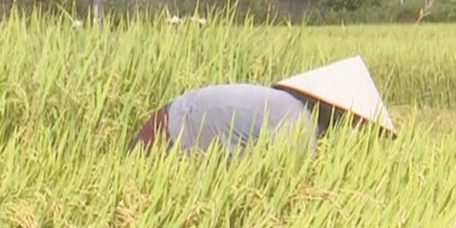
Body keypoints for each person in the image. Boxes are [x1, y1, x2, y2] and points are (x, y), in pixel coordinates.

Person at [132, 55, 397, 157]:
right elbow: (283, 184)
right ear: (340, 111)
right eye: (356, 123)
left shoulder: (288, 105)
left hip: (173, 113)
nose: (353, 130)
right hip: (175, 129)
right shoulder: (301, 127)